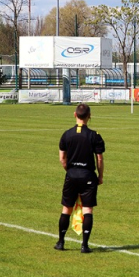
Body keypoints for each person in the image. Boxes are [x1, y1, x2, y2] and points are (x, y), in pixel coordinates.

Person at [56, 103, 105, 254]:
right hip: (88, 176)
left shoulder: (66, 134)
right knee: (87, 210)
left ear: (74, 114)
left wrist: (69, 170)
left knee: (66, 209)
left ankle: (60, 242)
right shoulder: (94, 135)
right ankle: (84, 245)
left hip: (71, 175)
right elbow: (100, 159)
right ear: (89, 116)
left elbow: (62, 158)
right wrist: (100, 176)